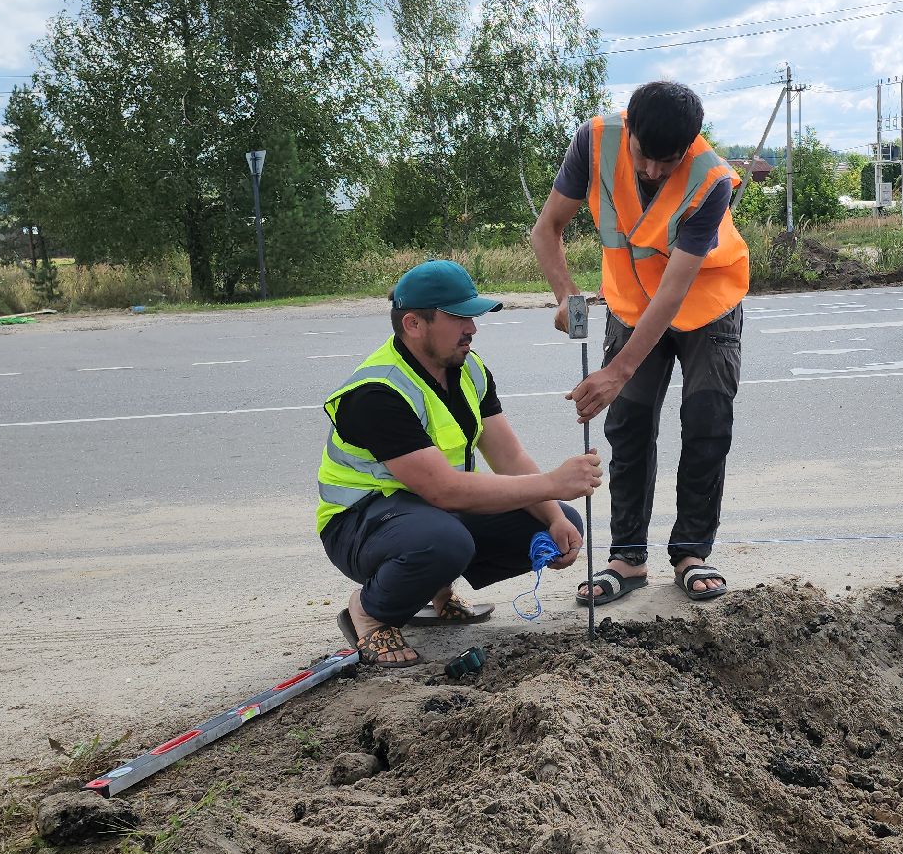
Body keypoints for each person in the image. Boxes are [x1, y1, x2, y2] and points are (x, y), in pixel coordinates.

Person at [317, 260, 603, 667]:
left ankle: (436, 593)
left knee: (559, 522)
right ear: (414, 324)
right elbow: (443, 490)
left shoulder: (467, 368)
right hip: (359, 523)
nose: (472, 327)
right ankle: (370, 612)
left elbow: (508, 457)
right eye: (458, 317)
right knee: (444, 540)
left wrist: (554, 515)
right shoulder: (376, 392)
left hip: (422, 516)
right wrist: (553, 483)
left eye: (472, 316)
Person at [531, 80, 746, 607]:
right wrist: (566, 297)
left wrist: (617, 371)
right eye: (644, 156)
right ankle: (627, 559)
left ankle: (692, 552)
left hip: (705, 303)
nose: (652, 171)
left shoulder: (711, 178)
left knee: (706, 421)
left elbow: (674, 291)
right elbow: (547, 229)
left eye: (666, 161)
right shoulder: (595, 141)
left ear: (690, 147)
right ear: (629, 129)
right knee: (626, 425)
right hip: (630, 302)